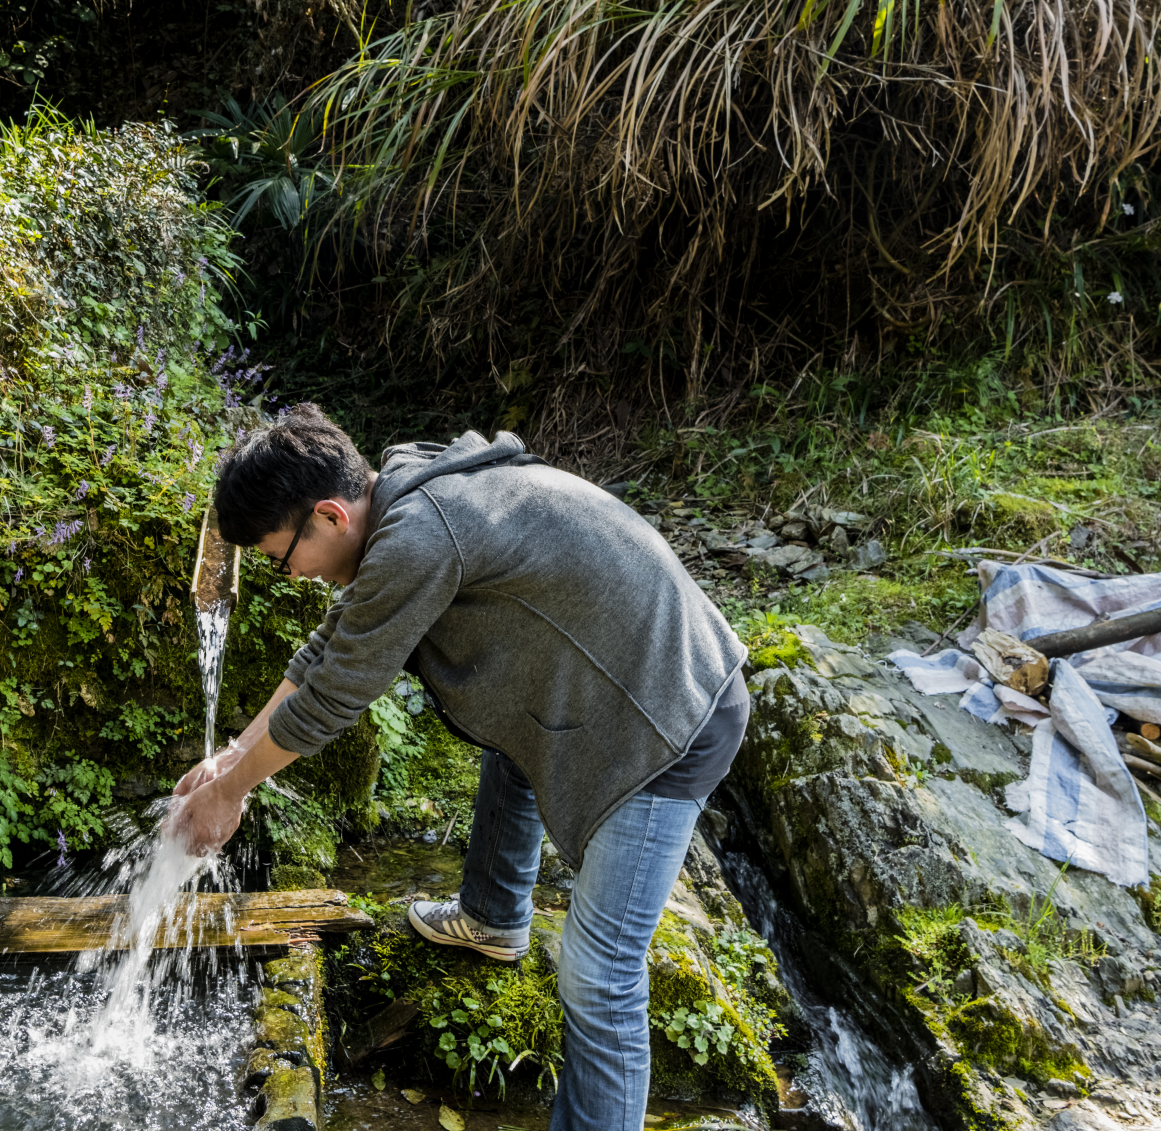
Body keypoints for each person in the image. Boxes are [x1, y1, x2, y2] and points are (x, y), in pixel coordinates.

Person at [167, 405, 749, 1131]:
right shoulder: (407, 490)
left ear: (328, 515)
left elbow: (332, 698)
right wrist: (229, 757)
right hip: (601, 680)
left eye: (283, 558)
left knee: (600, 976)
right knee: (514, 734)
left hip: (670, 715)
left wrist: (231, 792)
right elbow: (328, 648)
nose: (290, 576)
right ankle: (494, 917)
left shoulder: (418, 537)